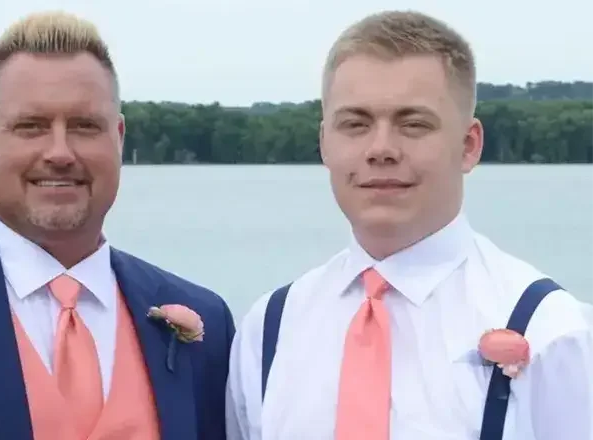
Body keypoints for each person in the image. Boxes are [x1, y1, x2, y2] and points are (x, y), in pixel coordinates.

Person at [225, 10, 593, 440]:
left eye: (413, 124)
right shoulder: (268, 328)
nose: (381, 149)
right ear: (324, 142)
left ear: (468, 145)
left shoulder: (554, 333)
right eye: (355, 124)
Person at [0, 11, 235, 440]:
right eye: (31, 126)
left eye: (84, 126)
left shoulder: (207, 323)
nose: (59, 152)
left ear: (119, 137)